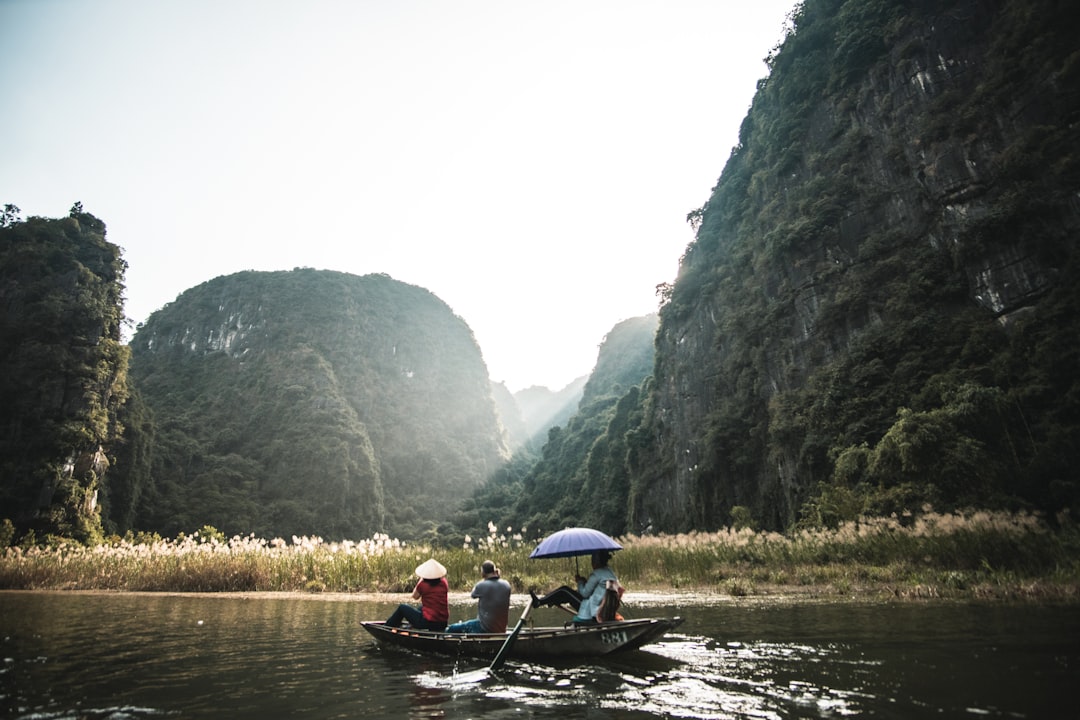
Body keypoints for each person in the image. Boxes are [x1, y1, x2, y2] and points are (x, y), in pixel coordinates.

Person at [530, 550, 622, 623]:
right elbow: (597, 591)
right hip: (602, 608)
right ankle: (552, 600)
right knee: (571, 593)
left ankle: (539, 602)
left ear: (596, 561)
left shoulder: (597, 574)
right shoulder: (610, 573)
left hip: (592, 611)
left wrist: (580, 582)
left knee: (564, 590)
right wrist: (584, 582)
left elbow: (585, 594)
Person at [446, 559, 512, 634]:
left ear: (483, 573)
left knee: (452, 628)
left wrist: (484, 579)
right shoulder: (506, 585)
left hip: (484, 628)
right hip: (501, 629)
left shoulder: (481, 585)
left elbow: (473, 595)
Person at [384, 558, 449, 631]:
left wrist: (421, 579)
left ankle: (387, 627)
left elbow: (415, 596)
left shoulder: (423, 585)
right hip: (443, 623)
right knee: (422, 607)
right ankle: (410, 626)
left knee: (402, 608)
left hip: (428, 622)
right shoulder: (444, 582)